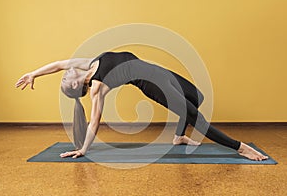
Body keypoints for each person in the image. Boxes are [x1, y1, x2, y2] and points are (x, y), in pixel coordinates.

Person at [15, 51, 269, 161]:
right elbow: (94, 122)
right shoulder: (96, 87)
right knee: (196, 116)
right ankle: (240, 147)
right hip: (153, 84)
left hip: (159, 71)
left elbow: (58, 63)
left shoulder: (90, 63)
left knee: (197, 96)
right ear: (78, 86)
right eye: (66, 78)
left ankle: (178, 137)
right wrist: (82, 149)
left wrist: (34, 74)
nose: (66, 71)